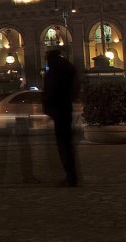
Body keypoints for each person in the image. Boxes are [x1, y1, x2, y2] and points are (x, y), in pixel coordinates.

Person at [42, 47, 80, 186]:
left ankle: (71, 176)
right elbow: (76, 86)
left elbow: (50, 90)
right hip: (65, 107)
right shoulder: (68, 67)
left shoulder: (54, 70)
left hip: (59, 109)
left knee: (64, 144)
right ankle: (72, 175)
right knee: (67, 144)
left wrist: (48, 106)